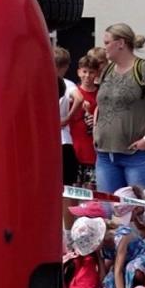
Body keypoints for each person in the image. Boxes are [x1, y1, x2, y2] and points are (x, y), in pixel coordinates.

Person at [91, 24, 145, 191]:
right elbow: (102, 104)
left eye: (107, 42)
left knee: (139, 209)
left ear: (121, 43)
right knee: (109, 210)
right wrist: (96, 129)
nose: (104, 48)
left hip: (139, 155)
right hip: (106, 154)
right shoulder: (107, 70)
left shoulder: (144, 69)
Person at [56, 46, 85, 189]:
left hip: (46, 139)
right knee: (66, 186)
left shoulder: (39, 81)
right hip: (63, 137)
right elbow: (79, 98)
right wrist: (68, 118)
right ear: (66, 66)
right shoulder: (68, 84)